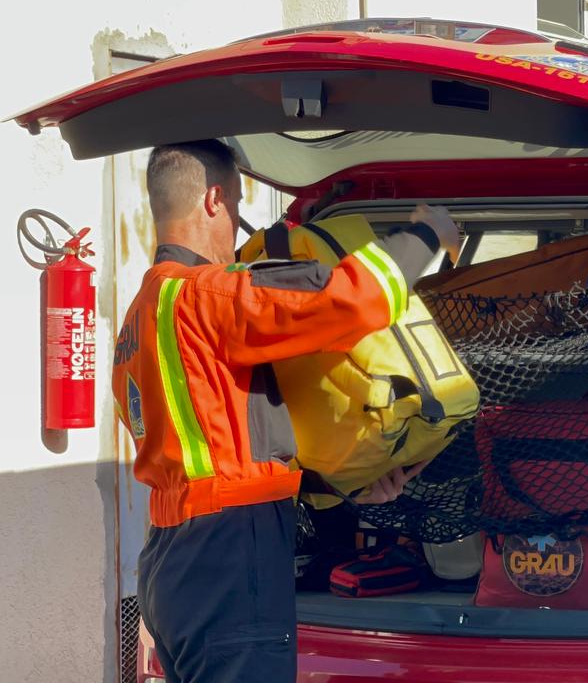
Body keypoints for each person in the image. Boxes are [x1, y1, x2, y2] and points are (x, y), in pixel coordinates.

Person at [111, 139, 459, 682]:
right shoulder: (209, 296)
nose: (236, 232)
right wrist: (428, 233)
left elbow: (220, 438)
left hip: (169, 562)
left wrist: (344, 483)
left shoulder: (137, 321)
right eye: (238, 209)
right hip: (230, 555)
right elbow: (349, 298)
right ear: (213, 201)